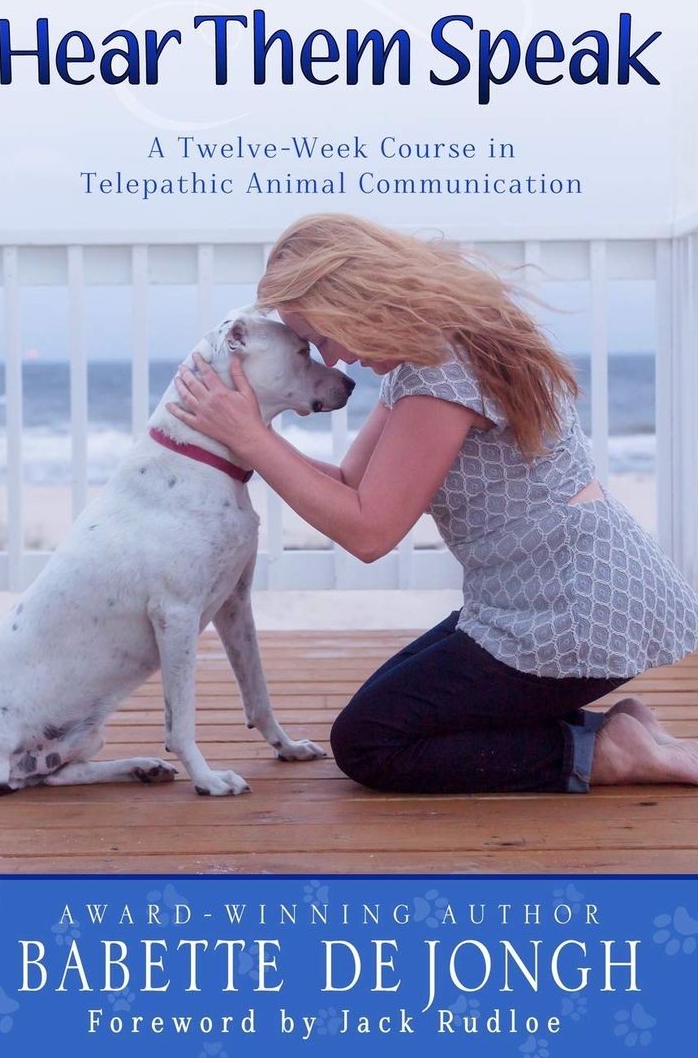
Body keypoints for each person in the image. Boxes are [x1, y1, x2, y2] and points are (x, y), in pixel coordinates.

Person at [168, 213, 698, 794]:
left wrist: (253, 439)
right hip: (543, 600)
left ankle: (610, 753)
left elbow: (370, 532)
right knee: (389, 707)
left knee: (371, 742)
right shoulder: (429, 354)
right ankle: (614, 730)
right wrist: (232, 446)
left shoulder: (442, 372)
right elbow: (351, 481)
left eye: (322, 337)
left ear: (356, 301)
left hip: (574, 614)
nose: (334, 359)